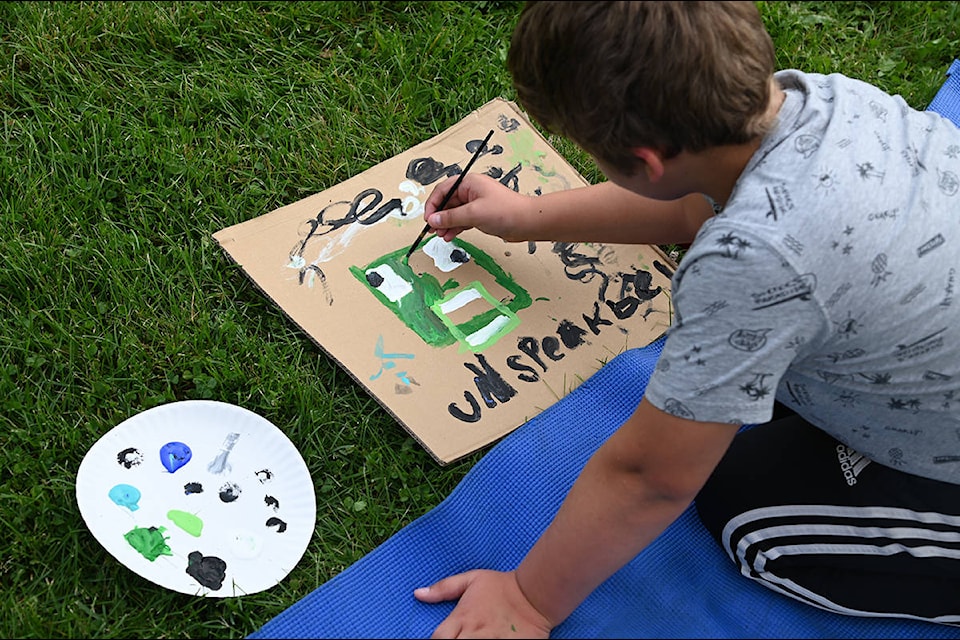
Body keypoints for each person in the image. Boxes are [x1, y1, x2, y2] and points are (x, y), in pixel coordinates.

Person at [412, 1, 960, 637]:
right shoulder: (817, 102)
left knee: (751, 517)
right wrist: (529, 217)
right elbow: (692, 206)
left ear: (643, 162)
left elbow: (651, 477)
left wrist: (527, 602)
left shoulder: (753, 263)